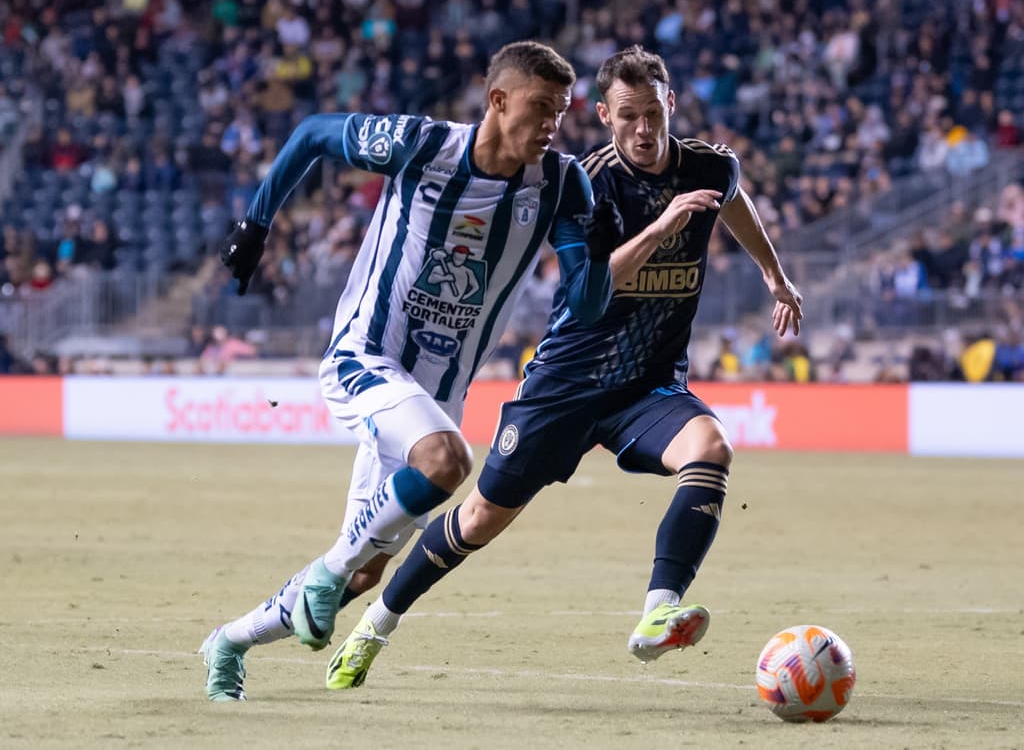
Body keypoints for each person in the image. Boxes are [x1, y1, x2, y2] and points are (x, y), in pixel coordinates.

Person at [325, 45, 803, 689]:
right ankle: (374, 627)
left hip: (648, 385)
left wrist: (774, 275)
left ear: (671, 105)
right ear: (604, 114)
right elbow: (593, 285)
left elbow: (732, 198)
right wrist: (661, 228)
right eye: (627, 115)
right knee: (479, 520)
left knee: (711, 447)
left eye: (653, 113)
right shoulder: (586, 180)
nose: (642, 129)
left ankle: (658, 612)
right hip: (566, 384)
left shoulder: (709, 169)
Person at [200, 40, 622, 701]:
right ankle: (328, 568)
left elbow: (589, 304)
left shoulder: (565, 184)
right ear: (497, 100)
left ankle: (229, 639)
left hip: (435, 393)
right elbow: (313, 134)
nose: (552, 125)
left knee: (364, 576)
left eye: (560, 112)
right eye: (540, 108)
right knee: (447, 463)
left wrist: (597, 253)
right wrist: (257, 220)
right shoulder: (423, 145)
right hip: (366, 357)